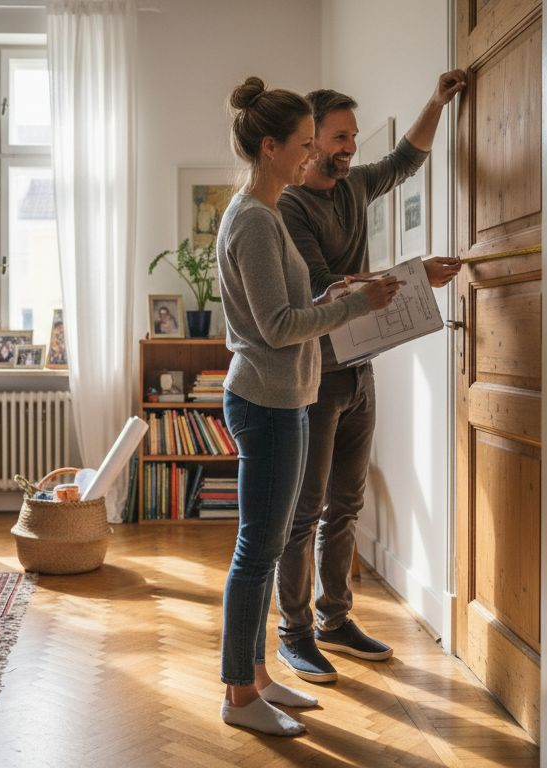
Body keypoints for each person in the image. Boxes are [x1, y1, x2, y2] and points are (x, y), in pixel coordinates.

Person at [214, 76, 402, 737]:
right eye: (302, 144)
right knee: (257, 551)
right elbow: (276, 326)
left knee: (263, 548)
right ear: (270, 147)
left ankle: (258, 676)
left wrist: (338, 301)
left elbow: (289, 315)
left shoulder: (261, 214)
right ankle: (238, 696)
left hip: (284, 396)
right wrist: (354, 305)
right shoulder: (256, 221)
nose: (310, 156)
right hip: (266, 401)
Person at [273, 72, 467, 684]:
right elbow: (327, 286)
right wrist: (416, 275)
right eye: (337, 137)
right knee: (304, 511)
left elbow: (407, 159)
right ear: (309, 143)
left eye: (353, 137)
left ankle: (335, 620)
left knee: (346, 506)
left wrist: (434, 100)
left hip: (360, 371)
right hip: (315, 376)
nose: (348, 148)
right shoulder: (288, 208)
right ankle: (294, 633)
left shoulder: (355, 186)